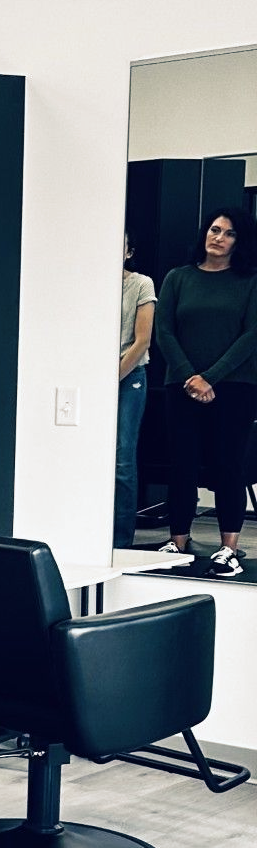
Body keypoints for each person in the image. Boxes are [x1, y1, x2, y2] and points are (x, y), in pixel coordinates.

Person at [152, 208, 257, 577]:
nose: (219, 238)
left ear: (239, 242)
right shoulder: (178, 278)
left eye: (229, 233)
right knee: (182, 462)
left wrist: (210, 378)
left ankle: (229, 548)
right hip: (181, 386)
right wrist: (189, 377)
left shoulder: (250, 281)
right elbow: (164, 331)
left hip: (236, 386)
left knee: (229, 464)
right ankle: (177, 541)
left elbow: (251, 335)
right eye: (215, 230)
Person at [117, 233, 156, 550]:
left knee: (122, 458)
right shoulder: (87, 283)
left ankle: (120, 541)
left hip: (129, 375)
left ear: (129, 252)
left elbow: (142, 340)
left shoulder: (141, 284)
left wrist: (111, 378)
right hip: (91, 378)